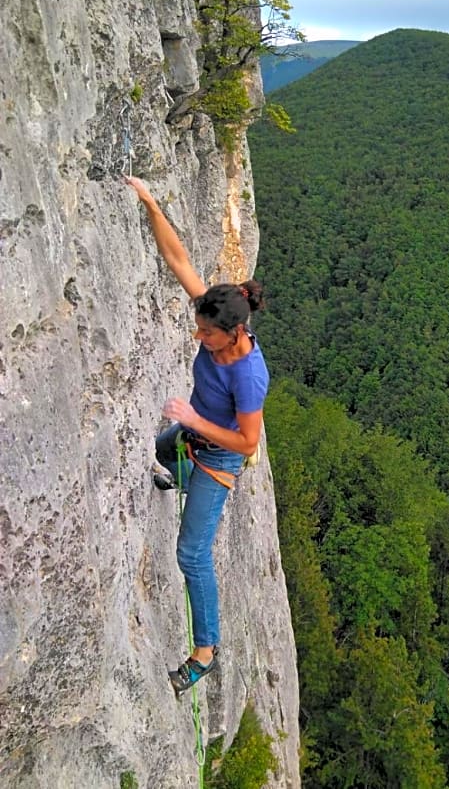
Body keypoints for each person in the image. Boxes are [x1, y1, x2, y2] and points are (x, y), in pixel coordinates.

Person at [125, 176, 270, 695]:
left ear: (232, 333)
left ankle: (205, 651)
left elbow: (248, 445)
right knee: (161, 449)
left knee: (191, 553)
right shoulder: (216, 314)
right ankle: (171, 472)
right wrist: (151, 203)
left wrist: (193, 417)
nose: (198, 337)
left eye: (205, 334)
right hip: (190, 437)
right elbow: (180, 260)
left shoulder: (248, 375)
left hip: (220, 459)